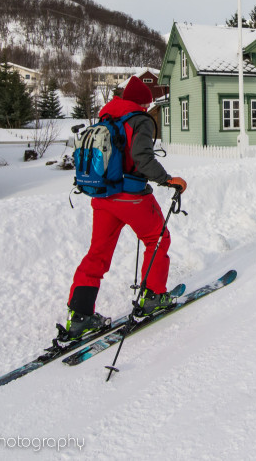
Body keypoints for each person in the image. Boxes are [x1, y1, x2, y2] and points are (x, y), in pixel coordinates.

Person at [65, 76, 187, 339]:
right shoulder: (140, 120)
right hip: (130, 196)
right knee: (157, 237)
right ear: (142, 101)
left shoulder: (106, 117)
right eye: (147, 101)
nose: (148, 105)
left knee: (97, 253)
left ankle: (80, 315)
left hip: (102, 197)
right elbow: (142, 159)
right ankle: (153, 296)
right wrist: (167, 179)